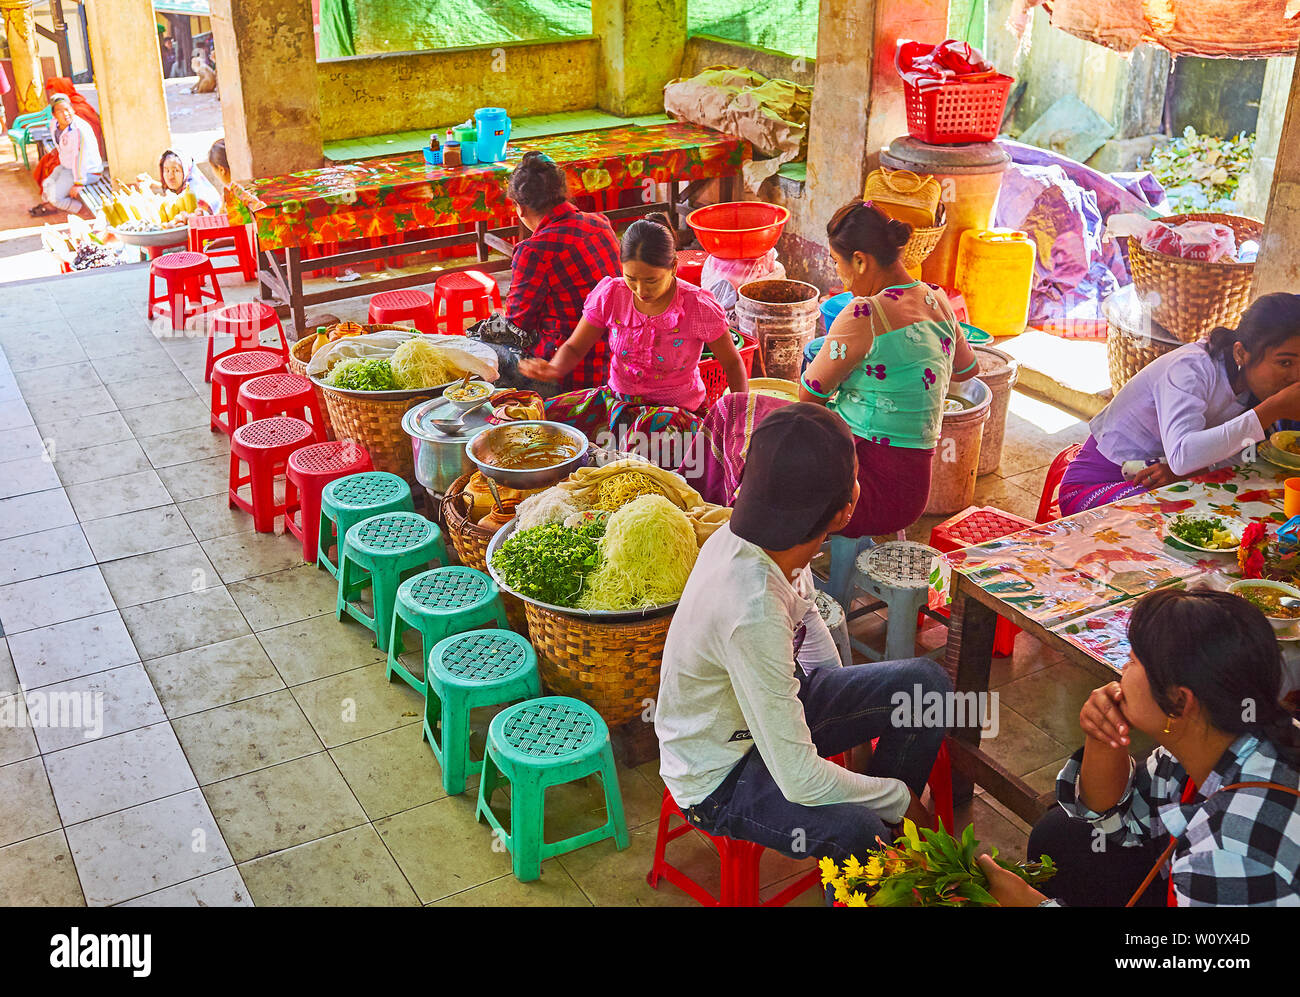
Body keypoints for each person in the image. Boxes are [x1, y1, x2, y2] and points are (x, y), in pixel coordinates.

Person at [655, 403, 951, 865]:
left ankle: (889, 850)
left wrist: (855, 740)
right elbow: (798, 778)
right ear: (844, 510)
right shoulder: (751, 608)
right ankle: (886, 841)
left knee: (927, 687)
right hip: (718, 774)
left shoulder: (767, 536)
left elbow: (812, 631)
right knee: (861, 832)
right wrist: (897, 797)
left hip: (766, 721)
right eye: (856, 475)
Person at [980, 587, 1300, 907]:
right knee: (1061, 835)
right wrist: (1104, 739)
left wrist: (1029, 904)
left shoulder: (1228, 852)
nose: (1122, 670)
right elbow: (1117, 815)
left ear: (1179, 700)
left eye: (1132, 660)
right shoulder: (1213, 739)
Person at [799, 200, 979, 538]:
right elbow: (968, 368)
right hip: (913, 494)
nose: (839, 274)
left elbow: (809, 397)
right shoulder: (937, 299)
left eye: (838, 263)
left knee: (747, 423)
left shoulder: (864, 313)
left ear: (861, 261)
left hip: (860, 493)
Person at [523, 213, 747, 455]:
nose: (641, 290)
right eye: (631, 278)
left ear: (673, 267)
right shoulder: (611, 294)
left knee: (636, 450)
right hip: (619, 404)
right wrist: (554, 368)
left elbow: (733, 363)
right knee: (538, 419)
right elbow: (576, 347)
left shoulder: (697, 307)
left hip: (674, 416)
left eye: (651, 281)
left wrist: (739, 417)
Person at [1058, 293, 1300, 515]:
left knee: (1241, 511)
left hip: (1158, 479)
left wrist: (1188, 471)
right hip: (1096, 486)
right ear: (1241, 353)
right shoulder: (1191, 369)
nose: (1296, 377)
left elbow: (1237, 457)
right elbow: (1183, 455)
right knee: (1185, 515)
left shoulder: (1250, 391)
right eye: (1285, 363)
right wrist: (1271, 410)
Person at [482, 151, 622, 395]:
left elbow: (518, 322)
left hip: (565, 371)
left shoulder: (534, 251)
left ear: (521, 208)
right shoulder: (601, 224)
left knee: (478, 347)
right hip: (615, 354)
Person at [28, 95, 102, 218]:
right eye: (60, 111)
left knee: (55, 198)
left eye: (67, 109)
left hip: (87, 171)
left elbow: (80, 158)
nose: (65, 114)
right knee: (47, 184)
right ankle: (51, 206)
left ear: (73, 109)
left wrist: (79, 183)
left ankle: (81, 210)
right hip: (68, 166)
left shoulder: (79, 130)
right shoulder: (54, 124)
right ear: (53, 114)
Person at [146, 149, 220, 216]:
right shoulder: (179, 190)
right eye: (166, 170)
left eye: (176, 170)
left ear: (186, 172)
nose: (170, 176)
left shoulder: (195, 196)